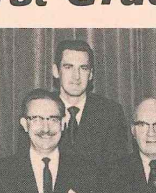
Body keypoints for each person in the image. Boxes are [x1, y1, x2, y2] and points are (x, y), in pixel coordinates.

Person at [49, 39, 128, 169]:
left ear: (91, 74)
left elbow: (117, 171)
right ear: (56, 71)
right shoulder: (39, 109)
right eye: (68, 67)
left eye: (83, 68)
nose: (76, 76)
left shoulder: (110, 113)